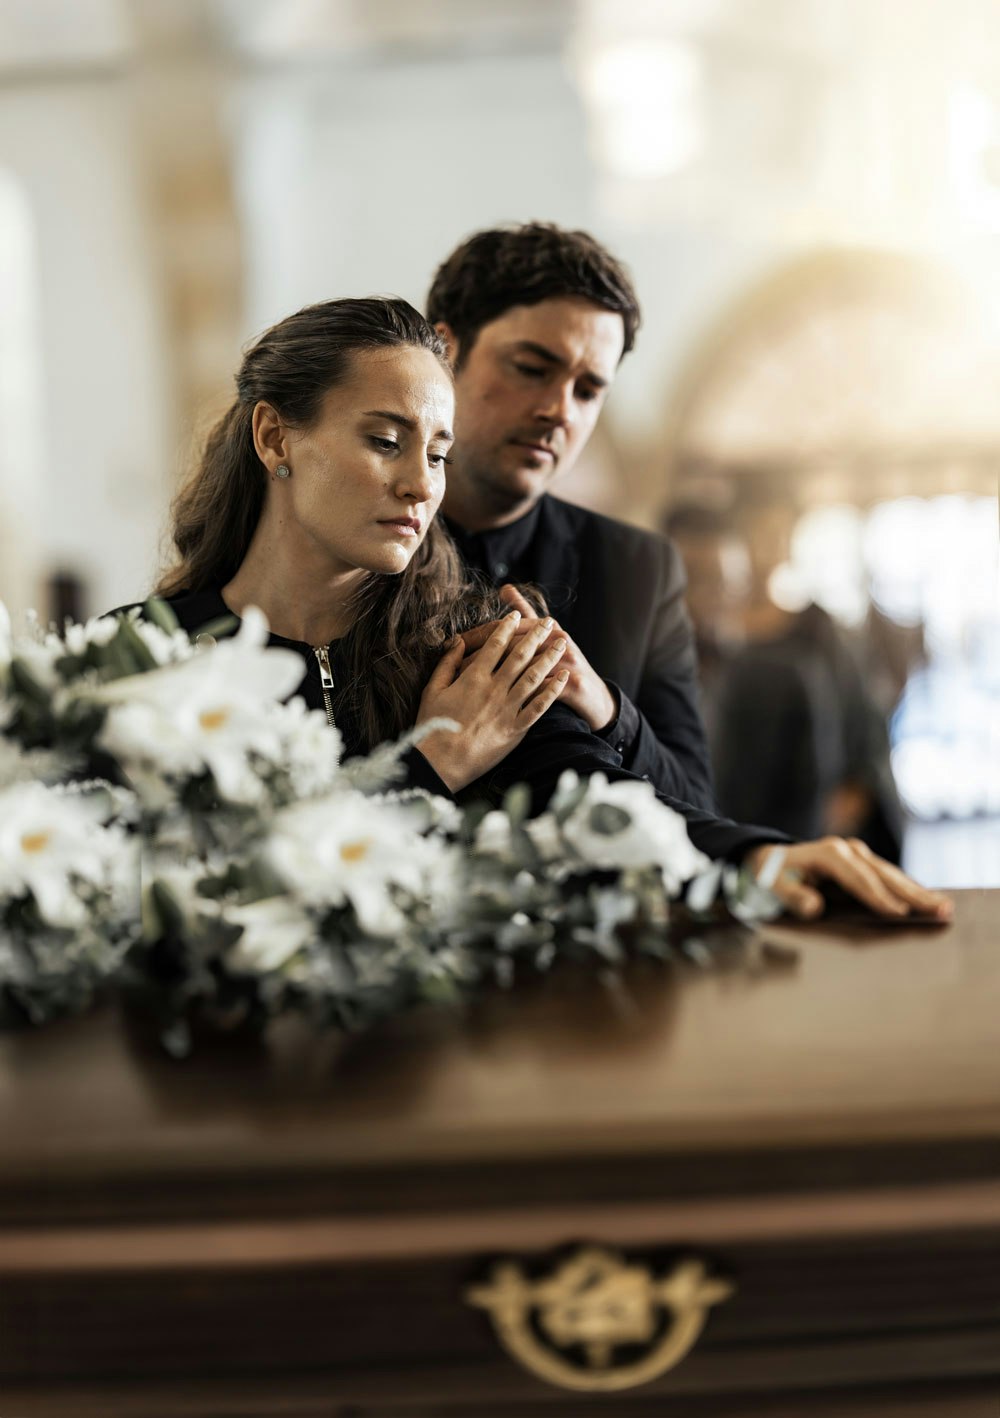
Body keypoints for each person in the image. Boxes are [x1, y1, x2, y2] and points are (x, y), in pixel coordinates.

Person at [133, 295, 950, 924]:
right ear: (276, 438)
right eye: (385, 441)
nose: (422, 484)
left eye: (439, 452)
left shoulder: (468, 639)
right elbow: (185, 890)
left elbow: (604, 804)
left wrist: (759, 860)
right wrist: (434, 766)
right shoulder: (138, 662)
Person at [426, 223, 715, 811]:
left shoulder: (641, 567)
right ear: (444, 352)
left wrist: (603, 705)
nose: (560, 410)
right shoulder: (358, 545)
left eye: (588, 390)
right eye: (532, 368)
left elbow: (696, 802)